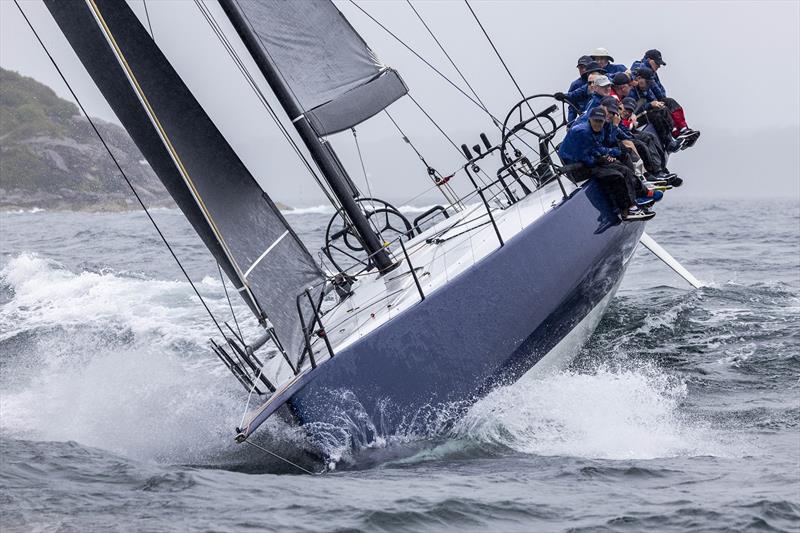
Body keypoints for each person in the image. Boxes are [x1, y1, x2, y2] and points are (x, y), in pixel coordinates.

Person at [557, 107, 654, 221]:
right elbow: (584, 157)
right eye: (595, 121)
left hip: (587, 161)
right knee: (615, 175)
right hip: (577, 168)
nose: (598, 124)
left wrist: (610, 154)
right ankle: (626, 210)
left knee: (623, 168)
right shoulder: (583, 132)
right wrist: (601, 159)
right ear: (590, 120)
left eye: (600, 121)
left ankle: (636, 199)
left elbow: (596, 147)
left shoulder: (598, 129)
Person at [631, 49, 700, 147]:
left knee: (668, 102)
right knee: (662, 110)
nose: (659, 66)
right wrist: (653, 102)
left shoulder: (652, 73)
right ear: (649, 60)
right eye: (657, 63)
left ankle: (682, 130)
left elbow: (660, 92)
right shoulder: (641, 69)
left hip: (648, 103)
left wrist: (657, 101)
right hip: (640, 108)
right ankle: (673, 138)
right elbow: (649, 91)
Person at [620, 97, 683, 186]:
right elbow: (619, 130)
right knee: (641, 145)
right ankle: (652, 174)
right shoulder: (615, 116)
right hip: (620, 140)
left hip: (628, 133)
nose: (627, 112)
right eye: (626, 109)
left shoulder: (624, 117)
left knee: (650, 137)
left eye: (630, 111)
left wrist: (630, 123)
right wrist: (630, 125)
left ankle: (661, 170)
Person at [629, 67, 681, 152]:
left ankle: (672, 135)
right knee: (656, 116)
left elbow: (652, 99)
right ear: (638, 78)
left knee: (663, 109)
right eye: (647, 82)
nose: (648, 85)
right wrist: (650, 105)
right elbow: (632, 108)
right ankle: (668, 143)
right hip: (632, 118)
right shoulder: (631, 91)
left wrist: (657, 104)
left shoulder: (644, 89)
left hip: (641, 113)